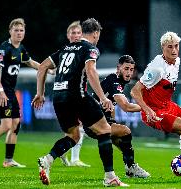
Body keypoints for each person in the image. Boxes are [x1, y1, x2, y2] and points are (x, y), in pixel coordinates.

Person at [31, 18, 128, 187]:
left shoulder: (65, 48)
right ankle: (110, 177)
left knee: (73, 136)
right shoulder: (91, 48)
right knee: (105, 129)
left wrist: (40, 93)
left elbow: (42, 67)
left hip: (58, 98)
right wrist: (103, 98)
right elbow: (91, 71)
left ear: (82, 32)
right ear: (96, 33)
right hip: (77, 95)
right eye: (99, 34)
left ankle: (48, 159)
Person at [130, 31, 181, 181]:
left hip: (167, 105)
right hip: (154, 111)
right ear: (163, 47)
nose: (174, 50)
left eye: (176, 46)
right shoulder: (156, 68)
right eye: (170, 47)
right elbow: (134, 91)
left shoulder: (177, 61)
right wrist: (147, 109)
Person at [0, 18, 41, 168]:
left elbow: (30, 62)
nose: (19, 33)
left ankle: (8, 160)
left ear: (24, 32)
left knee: (16, 124)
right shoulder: (5, 48)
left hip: (10, 92)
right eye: (16, 30)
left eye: (21, 30)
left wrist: (46, 68)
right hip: (1, 92)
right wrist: (0, 90)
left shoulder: (20, 48)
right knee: (6, 125)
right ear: (10, 31)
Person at [87, 54, 150, 178]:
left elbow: (112, 105)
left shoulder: (116, 81)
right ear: (118, 68)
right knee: (126, 131)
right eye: (126, 69)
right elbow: (126, 106)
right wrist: (148, 109)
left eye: (131, 70)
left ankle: (131, 167)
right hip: (94, 123)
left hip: (98, 122)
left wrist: (112, 121)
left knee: (125, 146)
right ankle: (130, 168)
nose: (129, 72)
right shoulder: (114, 80)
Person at [59, 20, 90, 167]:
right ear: (67, 35)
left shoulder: (68, 50)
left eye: (79, 33)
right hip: (73, 95)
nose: (76, 35)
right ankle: (73, 158)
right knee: (79, 127)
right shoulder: (74, 50)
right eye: (73, 33)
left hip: (67, 94)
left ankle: (63, 154)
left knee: (73, 128)